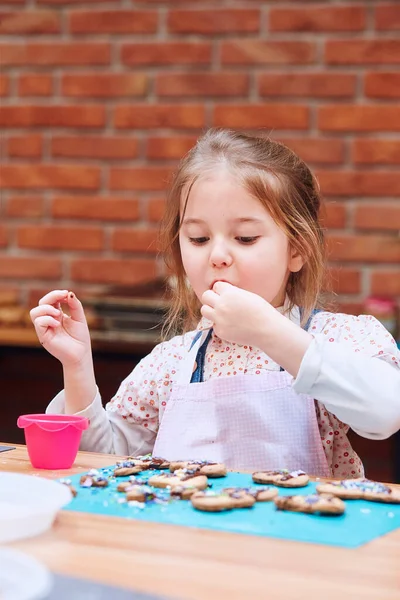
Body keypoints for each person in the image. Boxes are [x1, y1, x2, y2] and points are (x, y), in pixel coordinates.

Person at [30, 128, 400, 478]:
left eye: (245, 237)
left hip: (295, 544)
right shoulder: (169, 363)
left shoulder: (336, 338)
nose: (218, 255)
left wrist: (270, 332)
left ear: (297, 251)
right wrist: (77, 366)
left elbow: (386, 412)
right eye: (199, 237)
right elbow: (102, 459)